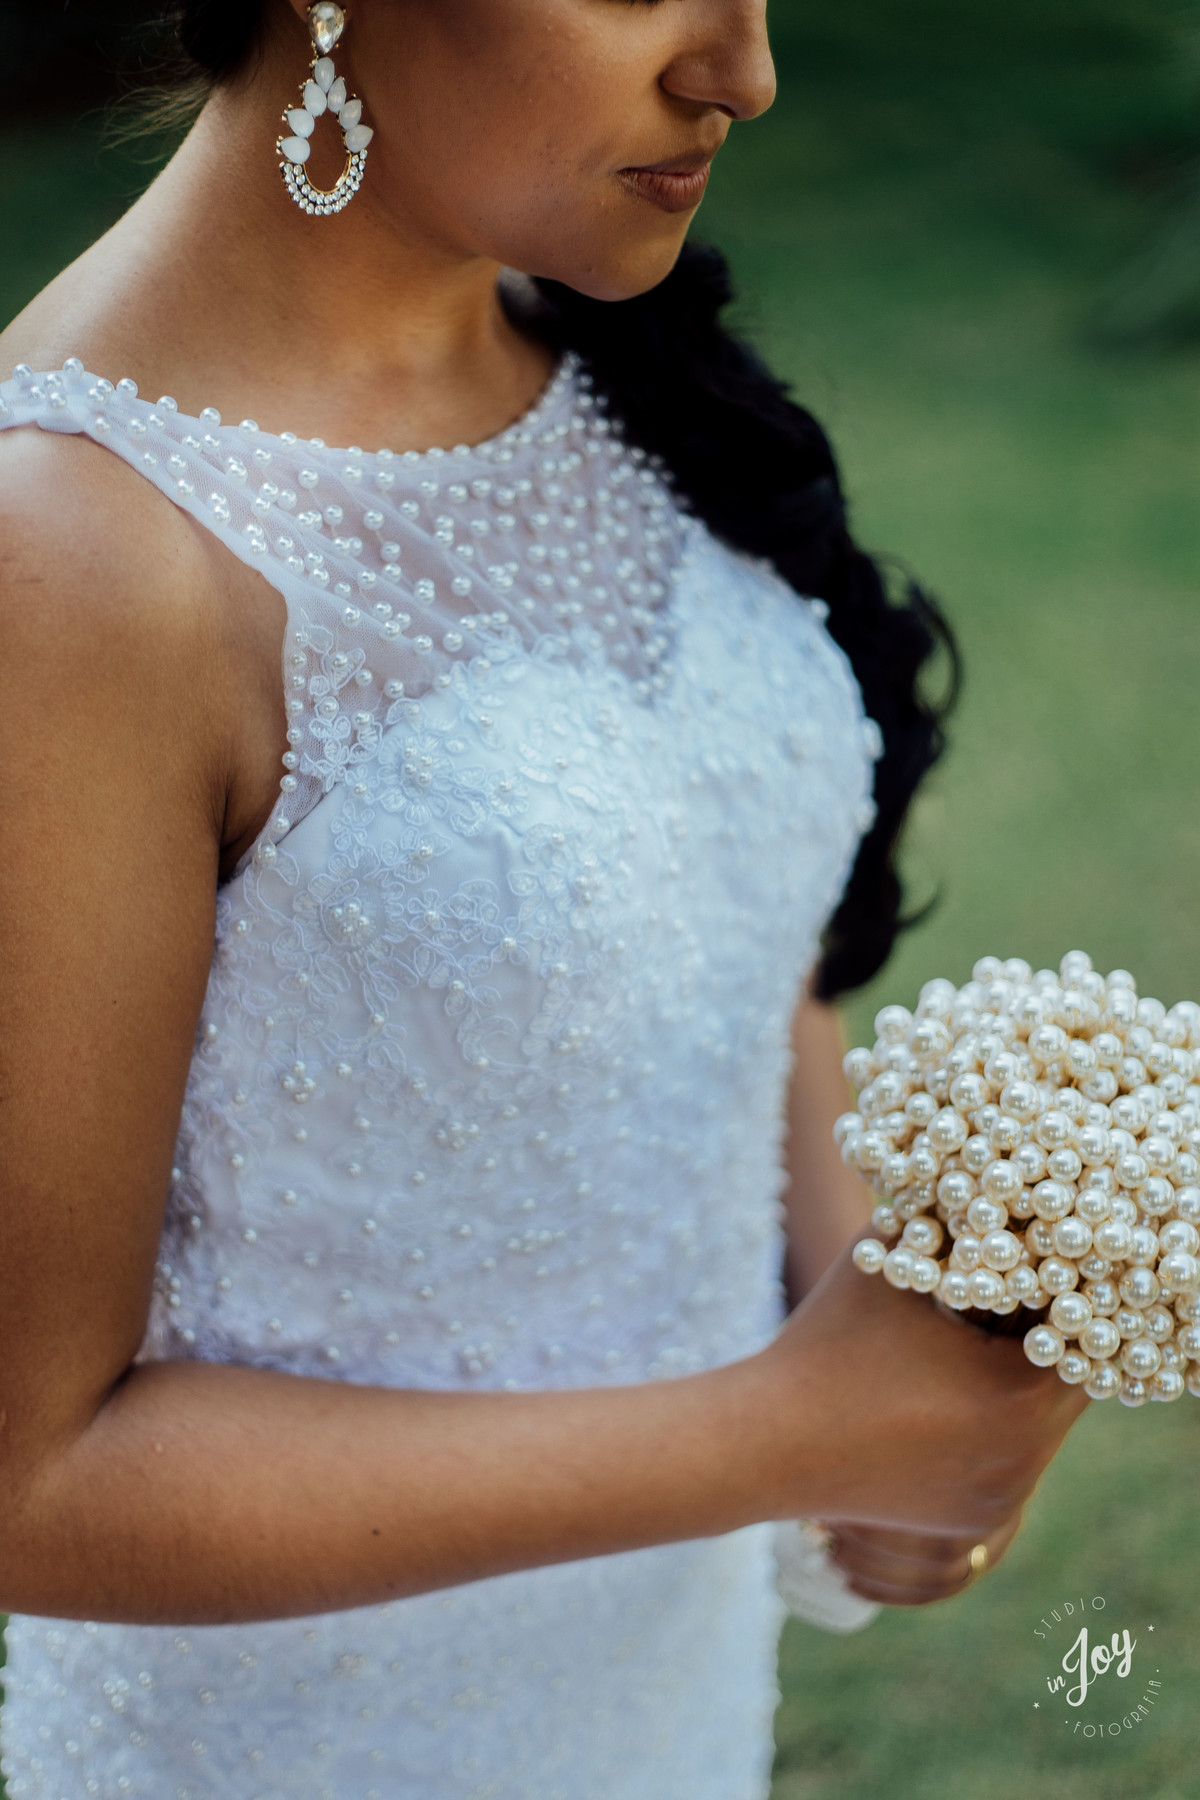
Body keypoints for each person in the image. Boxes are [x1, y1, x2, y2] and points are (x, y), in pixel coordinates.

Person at [0, 3, 1089, 1796]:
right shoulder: (79, 552)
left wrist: (866, 1336)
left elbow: (743, 927)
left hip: (663, 1701)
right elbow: (31, 1477)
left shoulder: (589, 341)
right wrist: (778, 1427)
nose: (741, 72)